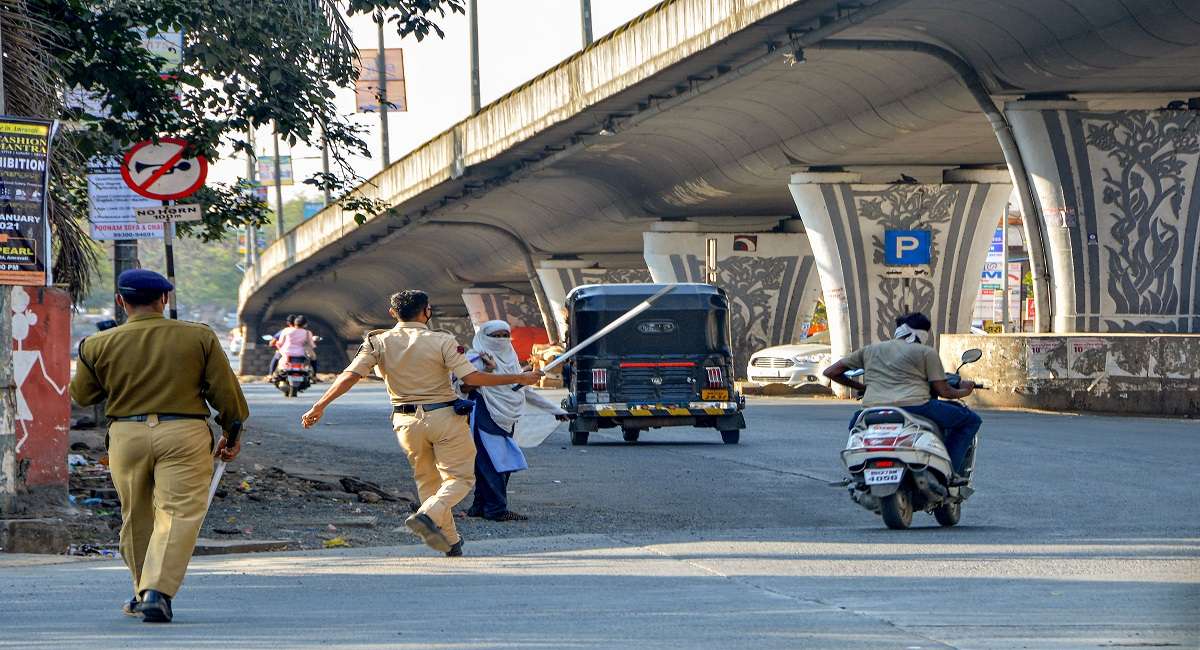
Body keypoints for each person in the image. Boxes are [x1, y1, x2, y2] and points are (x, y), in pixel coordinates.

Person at [300, 290, 542, 557]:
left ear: (393, 313)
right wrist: (520, 378)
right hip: (444, 417)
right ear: (427, 311)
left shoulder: (377, 341)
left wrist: (319, 405)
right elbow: (472, 379)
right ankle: (426, 514)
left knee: (428, 481)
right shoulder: (442, 340)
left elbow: (350, 375)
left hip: (405, 422)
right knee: (460, 478)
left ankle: (450, 541)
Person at [69, 269, 248, 623]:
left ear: (121, 301)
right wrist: (232, 432)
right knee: (177, 512)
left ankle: (141, 592)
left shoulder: (96, 344)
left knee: (136, 515)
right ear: (164, 299)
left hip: (126, 435)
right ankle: (156, 591)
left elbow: (83, 395)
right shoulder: (198, 336)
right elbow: (224, 393)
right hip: (184, 433)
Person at [823, 312, 980, 484]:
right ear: (923, 334)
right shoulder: (926, 352)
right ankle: (951, 473)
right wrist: (965, 391)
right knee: (971, 420)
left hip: (871, 410)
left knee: (855, 426)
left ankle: (859, 470)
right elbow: (944, 392)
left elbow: (830, 372)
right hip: (916, 407)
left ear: (898, 331)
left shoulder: (870, 350)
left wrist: (863, 388)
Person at [459, 320, 568, 522]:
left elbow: (523, 389)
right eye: (496, 336)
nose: (501, 340)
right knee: (492, 464)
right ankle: (496, 510)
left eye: (504, 335)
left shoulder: (511, 360)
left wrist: (555, 409)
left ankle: (481, 507)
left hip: (506, 417)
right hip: (484, 414)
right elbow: (463, 386)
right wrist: (487, 372)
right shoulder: (475, 357)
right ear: (483, 336)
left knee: (497, 463)